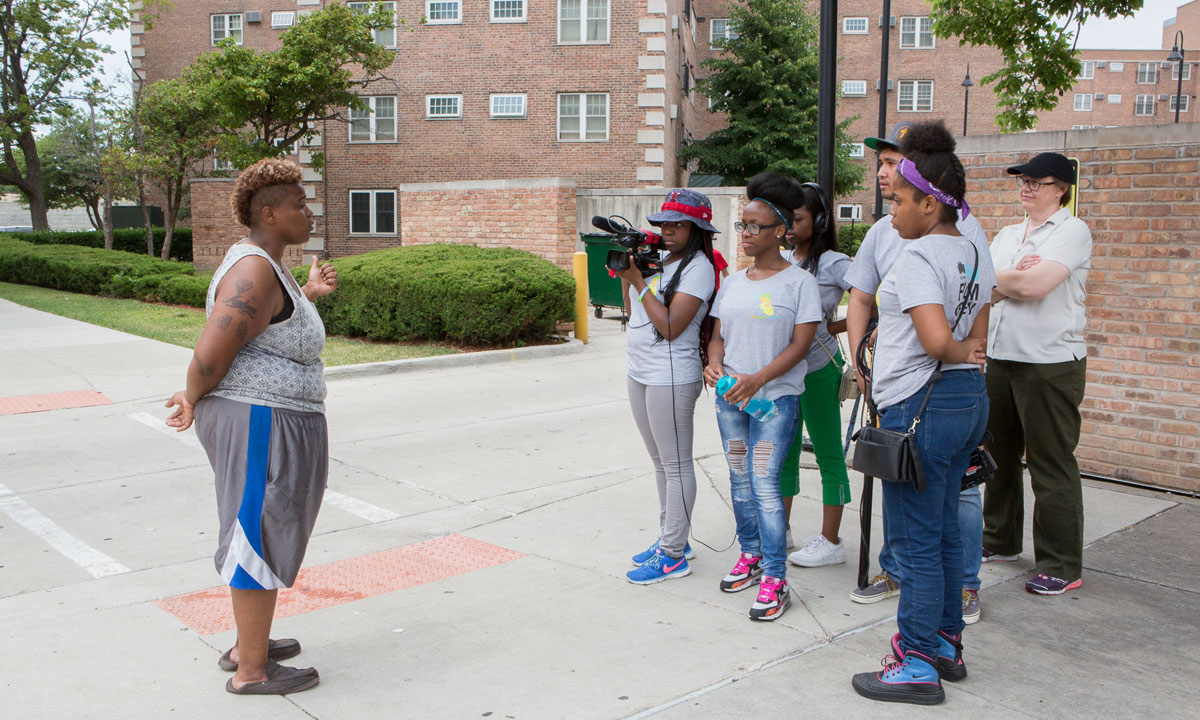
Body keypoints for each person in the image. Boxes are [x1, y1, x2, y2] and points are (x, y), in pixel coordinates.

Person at [165, 158, 338, 696]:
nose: (308, 213)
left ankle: (251, 643)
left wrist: (307, 296)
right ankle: (251, 671)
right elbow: (212, 349)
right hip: (259, 418)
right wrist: (190, 396)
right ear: (269, 212)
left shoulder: (270, 266)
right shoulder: (252, 268)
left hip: (277, 417)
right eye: (298, 205)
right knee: (256, 534)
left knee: (268, 528)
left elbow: (269, 325)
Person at [850, 121, 994, 706]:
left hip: (919, 407)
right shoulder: (974, 250)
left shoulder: (917, 256)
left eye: (902, 201)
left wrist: (955, 351)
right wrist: (969, 355)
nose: (894, 214)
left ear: (930, 204)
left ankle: (914, 663)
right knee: (943, 536)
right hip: (966, 401)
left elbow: (937, 340)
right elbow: (979, 325)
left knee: (913, 540)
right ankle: (945, 644)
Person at [703, 174, 822, 621]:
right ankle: (750, 555)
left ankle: (776, 576)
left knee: (765, 484)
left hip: (775, 402)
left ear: (780, 231)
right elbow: (717, 337)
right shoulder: (733, 282)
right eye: (743, 226)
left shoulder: (799, 284)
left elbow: (800, 346)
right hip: (729, 398)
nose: (747, 234)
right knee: (738, 478)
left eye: (755, 226)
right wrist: (715, 364)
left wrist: (757, 380)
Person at [982, 152, 1092, 596]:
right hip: (999, 357)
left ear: (1061, 187)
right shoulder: (1009, 234)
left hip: (1049, 363)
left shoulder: (1072, 231)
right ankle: (999, 540)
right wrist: (1008, 277)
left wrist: (1004, 280)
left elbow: (1033, 286)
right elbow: (977, 284)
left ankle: (1061, 564)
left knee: (1050, 464)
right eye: (1022, 180)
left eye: (1036, 181)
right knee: (997, 459)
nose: (1025, 187)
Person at [621, 188, 717, 584]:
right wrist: (632, 279)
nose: (670, 230)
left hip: (672, 375)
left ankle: (673, 554)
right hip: (640, 369)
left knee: (676, 465)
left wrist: (639, 283)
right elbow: (634, 315)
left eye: (680, 224)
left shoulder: (699, 269)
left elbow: (672, 327)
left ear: (698, 230)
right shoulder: (658, 261)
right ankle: (671, 537)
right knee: (660, 463)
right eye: (664, 223)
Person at [776, 181, 854, 568]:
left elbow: (871, 302)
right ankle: (782, 529)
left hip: (820, 369)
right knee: (783, 453)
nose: (789, 225)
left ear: (819, 221)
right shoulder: (783, 260)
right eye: (786, 218)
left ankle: (831, 540)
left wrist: (831, 327)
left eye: (798, 218)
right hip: (784, 372)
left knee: (827, 453)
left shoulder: (834, 263)